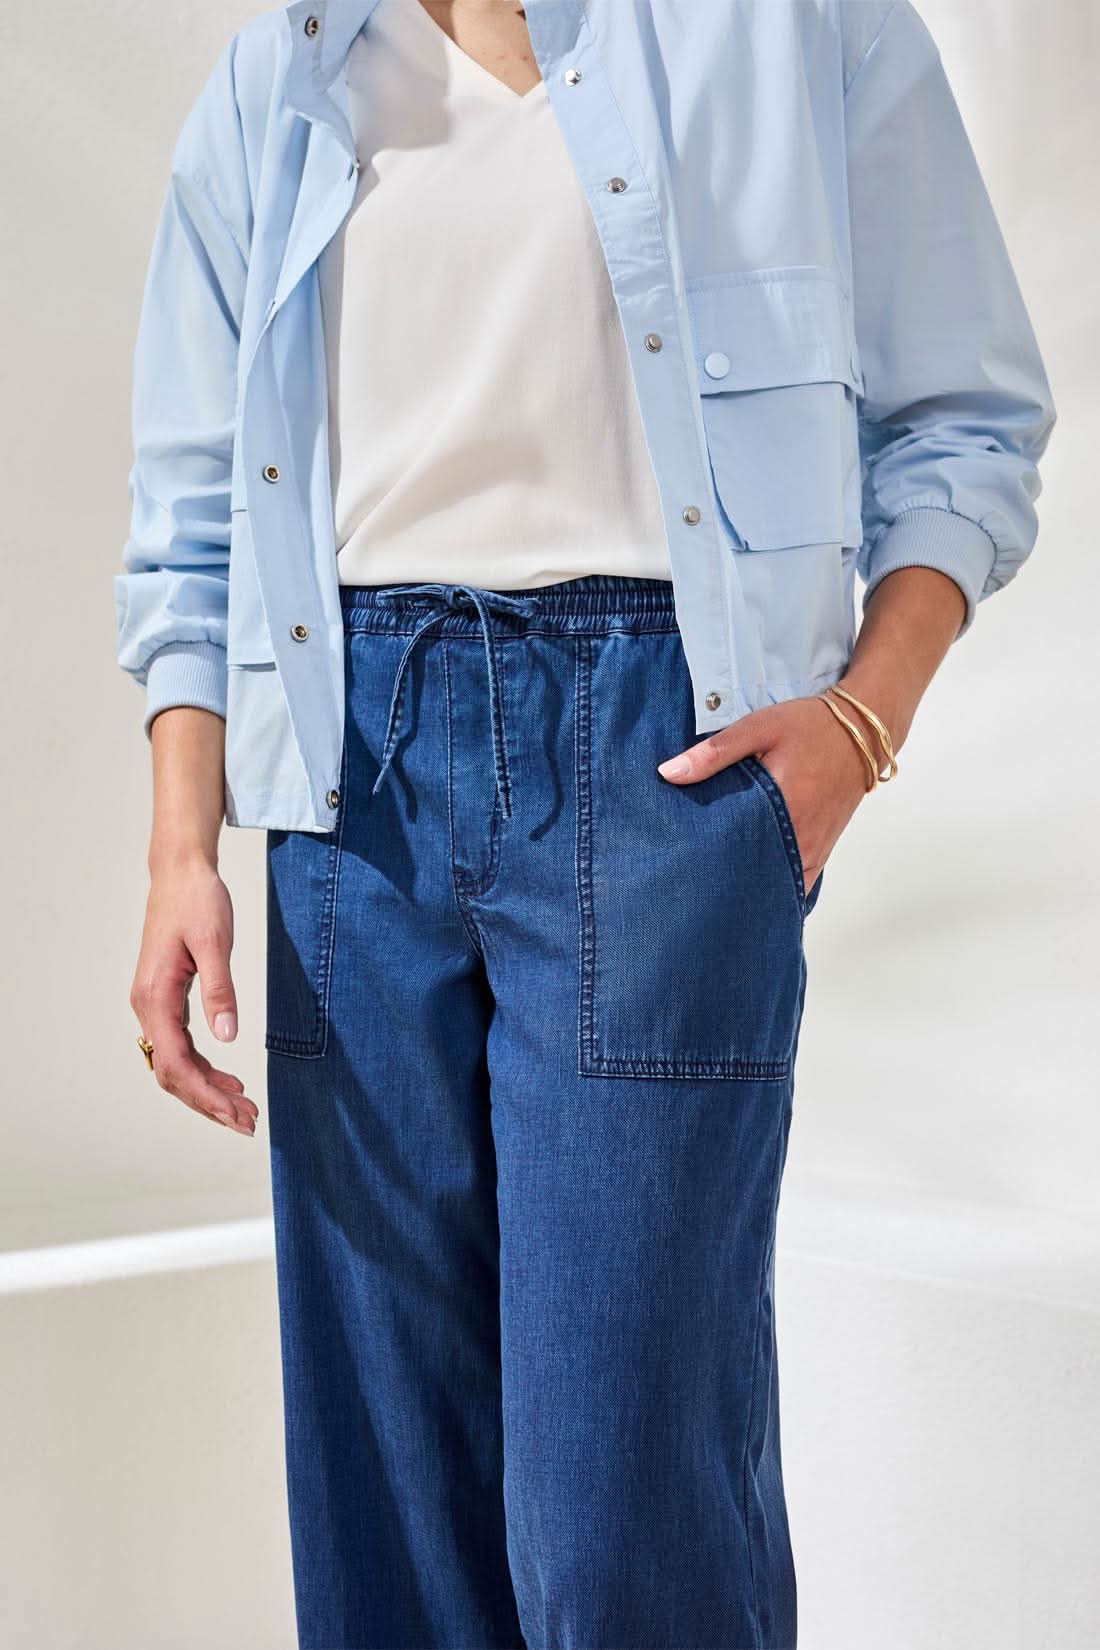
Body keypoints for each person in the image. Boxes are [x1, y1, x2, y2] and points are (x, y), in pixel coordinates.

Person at [115, 2, 1056, 1646]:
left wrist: (856, 726)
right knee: (386, 1518)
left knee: (628, 1522)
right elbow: (192, 511)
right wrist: (180, 847)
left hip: (661, 767)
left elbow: (967, 425)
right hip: (352, 791)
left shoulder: (794, 29)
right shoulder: (283, 77)